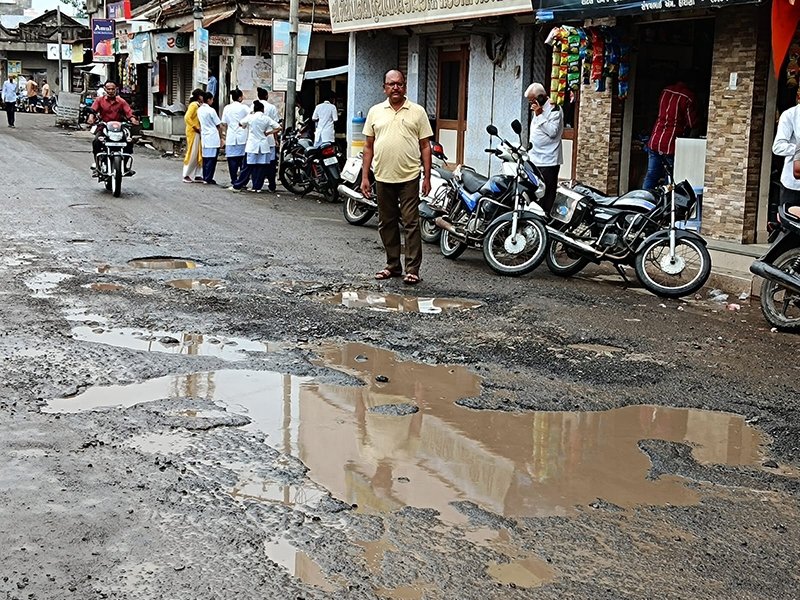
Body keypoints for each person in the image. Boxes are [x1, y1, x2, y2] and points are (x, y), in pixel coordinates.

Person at [360, 69, 432, 285]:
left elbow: (425, 146)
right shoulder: (375, 112)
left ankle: (413, 269)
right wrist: (365, 177)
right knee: (386, 223)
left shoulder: (417, 112)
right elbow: (368, 146)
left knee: (411, 223)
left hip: (409, 176)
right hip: (382, 176)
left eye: (399, 84)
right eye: (391, 84)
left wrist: (426, 177)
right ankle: (392, 265)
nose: (395, 88)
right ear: (384, 87)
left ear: (405, 86)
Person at [643, 74, 698, 190]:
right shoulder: (688, 97)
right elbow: (693, 123)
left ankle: (643, 200)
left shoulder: (665, 91)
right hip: (671, 144)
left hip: (655, 140)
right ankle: (668, 204)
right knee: (672, 178)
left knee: (651, 175)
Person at [525, 82, 563, 214]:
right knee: (536, 191)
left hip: (549, 159)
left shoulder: (554, 109)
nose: (531, 104)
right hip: (535, 157)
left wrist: (540, 115)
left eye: (532, 100)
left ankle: (545, 218)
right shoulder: (537, 109)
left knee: (547, 193)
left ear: (540, 97)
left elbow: (553, 132)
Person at [87, 80, 139, 176]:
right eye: (109, 89)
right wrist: (91, 118)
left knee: (129, 143)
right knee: (96, 141)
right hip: (104, 127)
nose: (111, 91)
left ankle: (124, 166)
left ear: (116, 89)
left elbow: (129, 112)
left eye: (113, 89)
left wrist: (133, 120)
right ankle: (97, 166)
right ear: (105, 89)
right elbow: (93, 111)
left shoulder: (121, 101)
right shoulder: (99, 100)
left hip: (119, 128)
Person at [230, 100, 281, 193]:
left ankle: (238, 185)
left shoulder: (251, 117)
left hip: (252, 145)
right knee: (261, 168)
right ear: (262, 109)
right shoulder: (266, 118)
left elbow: (240, 123)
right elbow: (278, 127)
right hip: (264, 145)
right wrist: (268, 133)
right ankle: (257, 187)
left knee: (247, 167)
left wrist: (245, 126)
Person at [772, 103, 800, 210]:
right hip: (793, 185)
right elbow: (778, 147)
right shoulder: (790, 115)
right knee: (791, 223)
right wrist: (798, 149)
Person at [221, 88, 250, 186]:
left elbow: (223, 123)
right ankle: (242, 181)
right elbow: (250, 118)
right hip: (242, 136)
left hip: (231, 136)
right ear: (240, 97)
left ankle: (234, 180)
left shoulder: (227, 108)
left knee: (232, 160)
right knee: (242, 161)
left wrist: (224, 135)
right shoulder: (245, 108)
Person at [197, 91, 222, 185]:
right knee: (212, 159)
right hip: (212, 136)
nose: (212, 101)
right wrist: (221, 137)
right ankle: (208, 178)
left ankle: (205, 176)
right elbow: (218, 124)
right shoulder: (211, 110)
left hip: (204, 136)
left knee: (205, 158)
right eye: (212, 99)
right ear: (209, 100)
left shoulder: (199, 110)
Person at [182, 88, 204, 183]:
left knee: (198, 153)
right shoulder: (194, 105)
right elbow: (187, 117)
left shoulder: (198, 105)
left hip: (196, 131)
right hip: (193, 132)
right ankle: (186, 174)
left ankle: (197, 174)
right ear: (199, 97)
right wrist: (195, 127)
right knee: (192, 153)